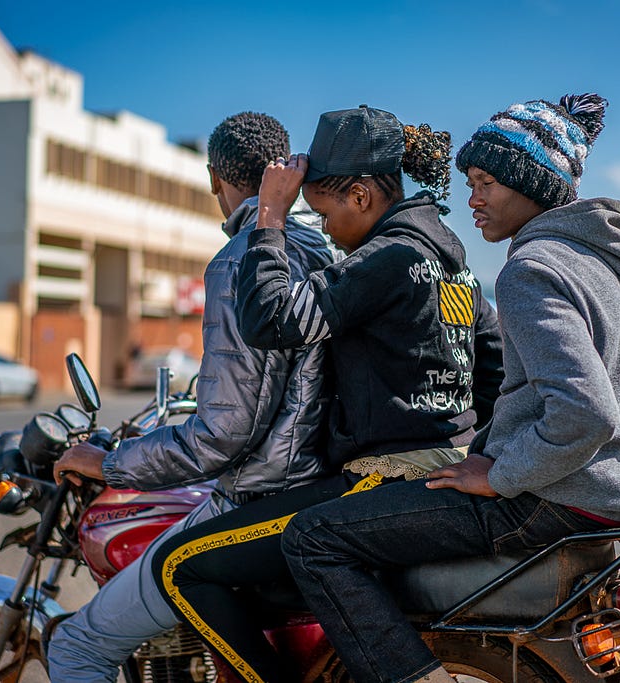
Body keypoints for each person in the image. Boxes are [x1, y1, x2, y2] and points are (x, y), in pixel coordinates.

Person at [281, 93, 620, 683]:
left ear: (531, 184)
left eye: (485, 183)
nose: (471, 200)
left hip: (538, 500)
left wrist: (502, 474)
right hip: (601, 508)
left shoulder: (532, 267)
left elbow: (586, 411)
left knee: (313, 539)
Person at [149, 105, 504, 683]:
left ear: (361, 196)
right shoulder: (451, 264)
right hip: (445, 474)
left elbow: (271, 319)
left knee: (178, 564)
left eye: (322, 212)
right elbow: (493, 374)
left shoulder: (386, 258)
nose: (326, 232)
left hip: (383, 480)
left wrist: (269, 217)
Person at [46, 111, 336, 682]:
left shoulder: (238, 263)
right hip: (316, 488)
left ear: (213, 179)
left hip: (255, 500)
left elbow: (224, 432)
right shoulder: (326, 251)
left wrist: (111, 464)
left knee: (76, 646)